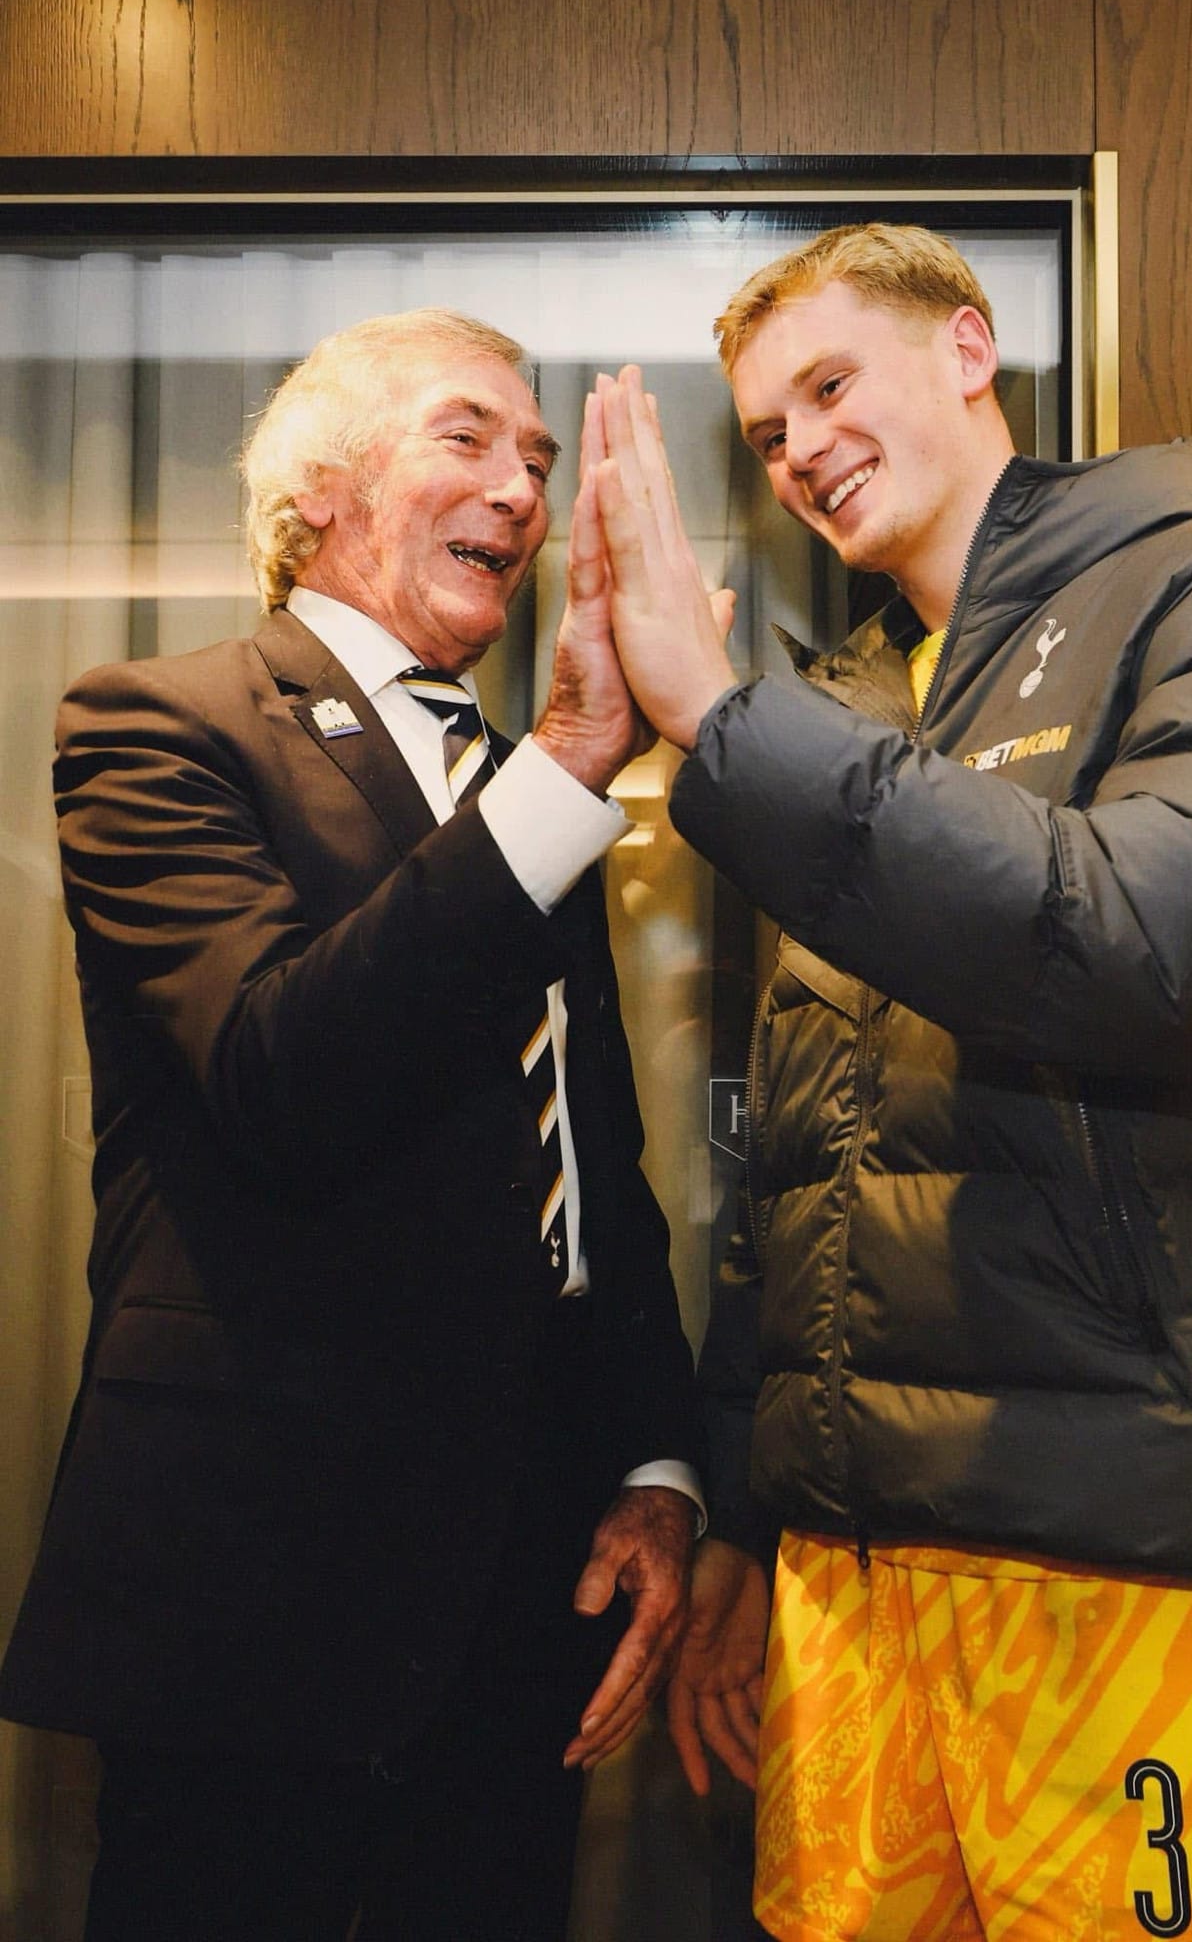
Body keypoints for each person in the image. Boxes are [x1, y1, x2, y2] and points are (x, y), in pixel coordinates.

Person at [578, 225, 1192, 1938]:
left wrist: (725, 722)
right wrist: (741, 1518)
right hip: (845, 1575)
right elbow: (796, 1169)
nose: (802, 448)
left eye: (829, 383)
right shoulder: (841, 698)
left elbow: (1174, 951)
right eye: (767, 431)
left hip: (1121, 1547)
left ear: (970, 349)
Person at [0, 306, 706, 1942]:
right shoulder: (158, 723)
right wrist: (571, 762)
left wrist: (654, 1461)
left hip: (523, 1603)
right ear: (316, 488)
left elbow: (581, 1163)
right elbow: (282, 1076)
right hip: (259, 1600)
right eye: (468, 436)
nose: (521, 489)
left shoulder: (517, 784)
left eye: (539, 459)